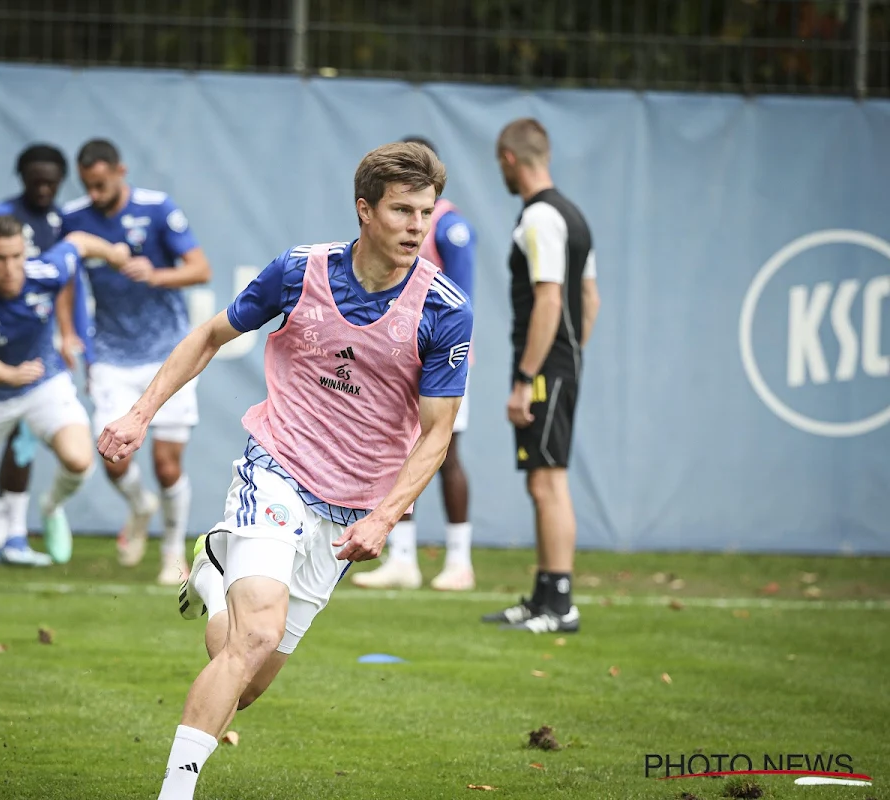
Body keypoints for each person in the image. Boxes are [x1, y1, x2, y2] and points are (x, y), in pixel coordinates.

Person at [97, 142, 472, 800]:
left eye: (427, 212)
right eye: (403, 210)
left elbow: (437, 435)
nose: (418, 226)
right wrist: (139, 415)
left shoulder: (445, 309)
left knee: (248, 677)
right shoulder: (300, 272)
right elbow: (211, 336)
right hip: (276, 467)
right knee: (258, 633)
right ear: (365, 210)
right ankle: (174, 793)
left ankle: (214, 578)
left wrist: (384, 517)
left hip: (351, 509)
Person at [0, 215, 128, 590]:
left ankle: (51, 506)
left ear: (25, 252)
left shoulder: (46, 271)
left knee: (79, 459)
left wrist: (115, 254)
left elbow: (79, 242)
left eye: (15, 257)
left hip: (44, 385)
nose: (9, 268)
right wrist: (11, 375)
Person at [59, 138, 212, 586]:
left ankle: (171, 551)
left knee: (167, 465)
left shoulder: (158, 208)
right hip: (109, 354)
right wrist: (68, 331)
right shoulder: (74, 219)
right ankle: (140, 506)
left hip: (168, 353)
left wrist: (156, 274)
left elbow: (201, 269)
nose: (96, 193)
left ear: (120, 171)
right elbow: (67, 279)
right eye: (88, 185)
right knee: (112, 457)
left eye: (102, 184)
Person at [480, 118, 600, 634]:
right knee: (541, 480)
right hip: (559, 364)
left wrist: (529, 376)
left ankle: (561, 604)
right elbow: (590, 300)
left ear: (509, 159)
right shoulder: (573, 216)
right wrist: (572, 357)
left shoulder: (539, 218)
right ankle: (544, 596)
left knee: (549, 481)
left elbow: (551, 299)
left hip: (544, 367)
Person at [351, 134, 479, 592]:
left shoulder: (449, 226)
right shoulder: (394, 219)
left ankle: (459, 560)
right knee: (397, 452)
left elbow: (460, 299)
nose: (413, 221)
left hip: (442, 357)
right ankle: (402, 557)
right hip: (395, 356)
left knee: (445, 452)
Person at [0, 143, 91, 567]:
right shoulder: (0, 222)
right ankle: (4, 534)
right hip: (6, 346)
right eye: (35, 180)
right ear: (21, 178)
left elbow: (63, 277)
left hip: (42, 349)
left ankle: (11, 532)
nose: (43, 188)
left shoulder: (62, 219)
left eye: (50, 181)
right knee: (10, 441)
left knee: (29, 441)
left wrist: (67, 332)